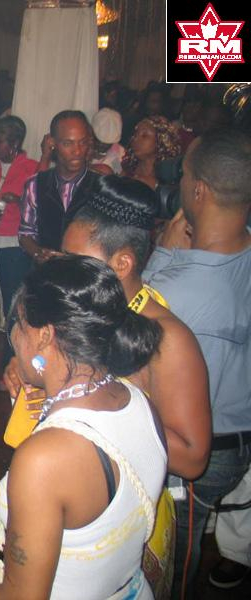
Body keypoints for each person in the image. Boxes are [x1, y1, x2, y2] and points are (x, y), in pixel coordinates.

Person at [5, 175, 212, 598]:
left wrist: (105, 414)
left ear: (121, 264)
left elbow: (193, 457)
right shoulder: (79, 318)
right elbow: (50, 364)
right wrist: (30, 365)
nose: (63, 267)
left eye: (75, 259)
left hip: (122, 512)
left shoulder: (168, 338)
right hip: (64, 490)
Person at [0, 255, 166, 599]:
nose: (14, 336)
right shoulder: (136, 399)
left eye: (19, 323)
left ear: (44, 336)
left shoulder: (45, 458)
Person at [142, 129, 251, 599]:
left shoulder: (177, 288)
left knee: (172, 563)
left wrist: (163, 255)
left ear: (200, 191)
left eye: (185, 174)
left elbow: (131, 330)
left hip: (199, 453)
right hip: (238, 436)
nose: (180, 182)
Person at [0, 115, 38, 371]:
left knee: (14, 306)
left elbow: (41, 207)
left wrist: (20, 200)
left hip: (14, 244)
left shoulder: (31, 168)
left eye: (0, 141)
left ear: (14, 144)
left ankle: (11, 363)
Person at [18, 110, 100, 263]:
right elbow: (25, 233)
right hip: (47, 273)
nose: (77, 151)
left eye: (82, 142)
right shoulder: (35, 184)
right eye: (68, 143)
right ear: (52, 143)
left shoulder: (101, 186)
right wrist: (37, 252)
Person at [121, 116, 181, 191]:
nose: (135, 139)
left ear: (161, 140)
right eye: (135, 135)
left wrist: (156, 186)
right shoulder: (127, 170)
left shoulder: (168, 179)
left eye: (144, 136)